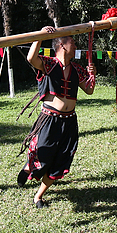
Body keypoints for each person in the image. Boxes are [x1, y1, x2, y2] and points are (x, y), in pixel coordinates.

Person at [18, 26, 97, 208]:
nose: (76, 45)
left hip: (69, 121)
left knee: (61, 160)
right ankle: (29, 167)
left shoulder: (77, 69)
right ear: (62, 44)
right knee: (43, 156)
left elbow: (89, 90)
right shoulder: (49, 63)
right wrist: (40, 35)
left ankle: (38, 196)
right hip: (49, 119)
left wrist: (93, 74)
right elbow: (31, 58)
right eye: (73, 42)